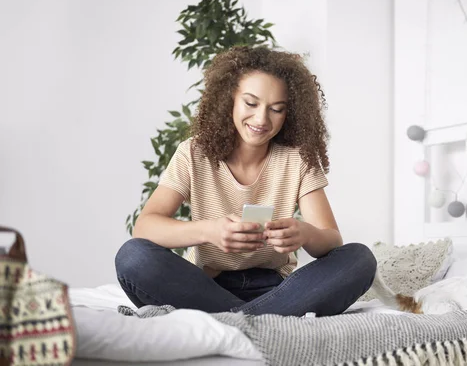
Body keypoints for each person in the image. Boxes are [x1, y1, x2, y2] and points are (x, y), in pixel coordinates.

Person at [115, 46, 377, 317]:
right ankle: (266, 321)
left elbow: (332, 241)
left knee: (359, 259)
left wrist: (305, 233)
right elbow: (145, 227)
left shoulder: (296, 159)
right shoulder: (193, 153)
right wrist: (210, 231)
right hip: (203, 285)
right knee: (133, 257)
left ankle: (231, 320)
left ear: (289, 113)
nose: (261, 119)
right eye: (251, 104)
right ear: (229, 99)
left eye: (276, 109)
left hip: (278, 289)